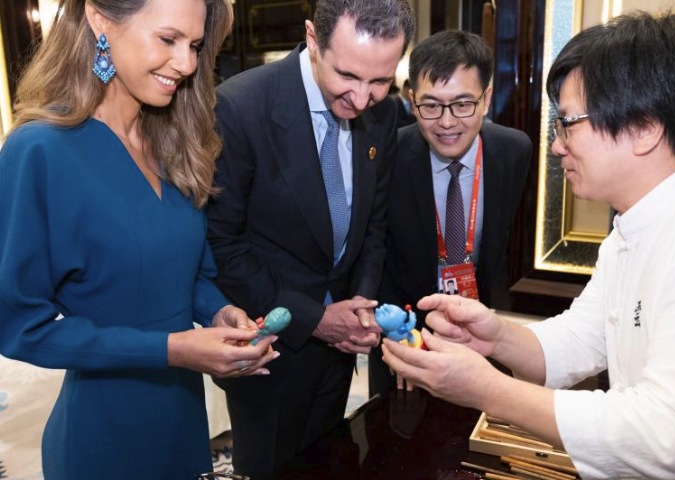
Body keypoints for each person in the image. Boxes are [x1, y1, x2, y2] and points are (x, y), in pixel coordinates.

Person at [382, 12, 675, 480]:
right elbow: (582, 338)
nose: (557, 146)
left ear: (645, 128)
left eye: (568, 123)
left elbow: (670, 436)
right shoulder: (632, 228)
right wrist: (494, 335)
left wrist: (486, 389)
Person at [0, 1, 279, 479]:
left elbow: (189, 274)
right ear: (100, 20)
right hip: (104, 437)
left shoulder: (173, 139)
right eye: (168, 40)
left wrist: (218, 311)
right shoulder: (39, 151)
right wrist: (172, 349)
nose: (188, 63)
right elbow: (19, 326)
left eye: (194, 46)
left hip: (184, 423)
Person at [205, 0, 415, 477]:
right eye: (348, 76)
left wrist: (360, 302)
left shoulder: (383, 116)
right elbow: (223, 246)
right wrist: (317, 320)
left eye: (380, 80)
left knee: (330, 462)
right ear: (313, 39)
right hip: (273, 350)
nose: (362, 99)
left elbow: (373, 225)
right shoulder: (240, 108)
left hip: (341, 351)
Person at [369, 30, 531, 396]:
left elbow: (502, 245)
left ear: (486, 99)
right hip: (405, 335)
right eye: (431, 105)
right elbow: (376, 248)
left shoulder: (514, 152)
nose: (446, 122)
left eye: (462, 104)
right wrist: (397, 338)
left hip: (481, 331)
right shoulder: (387, 156)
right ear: (412, 102)